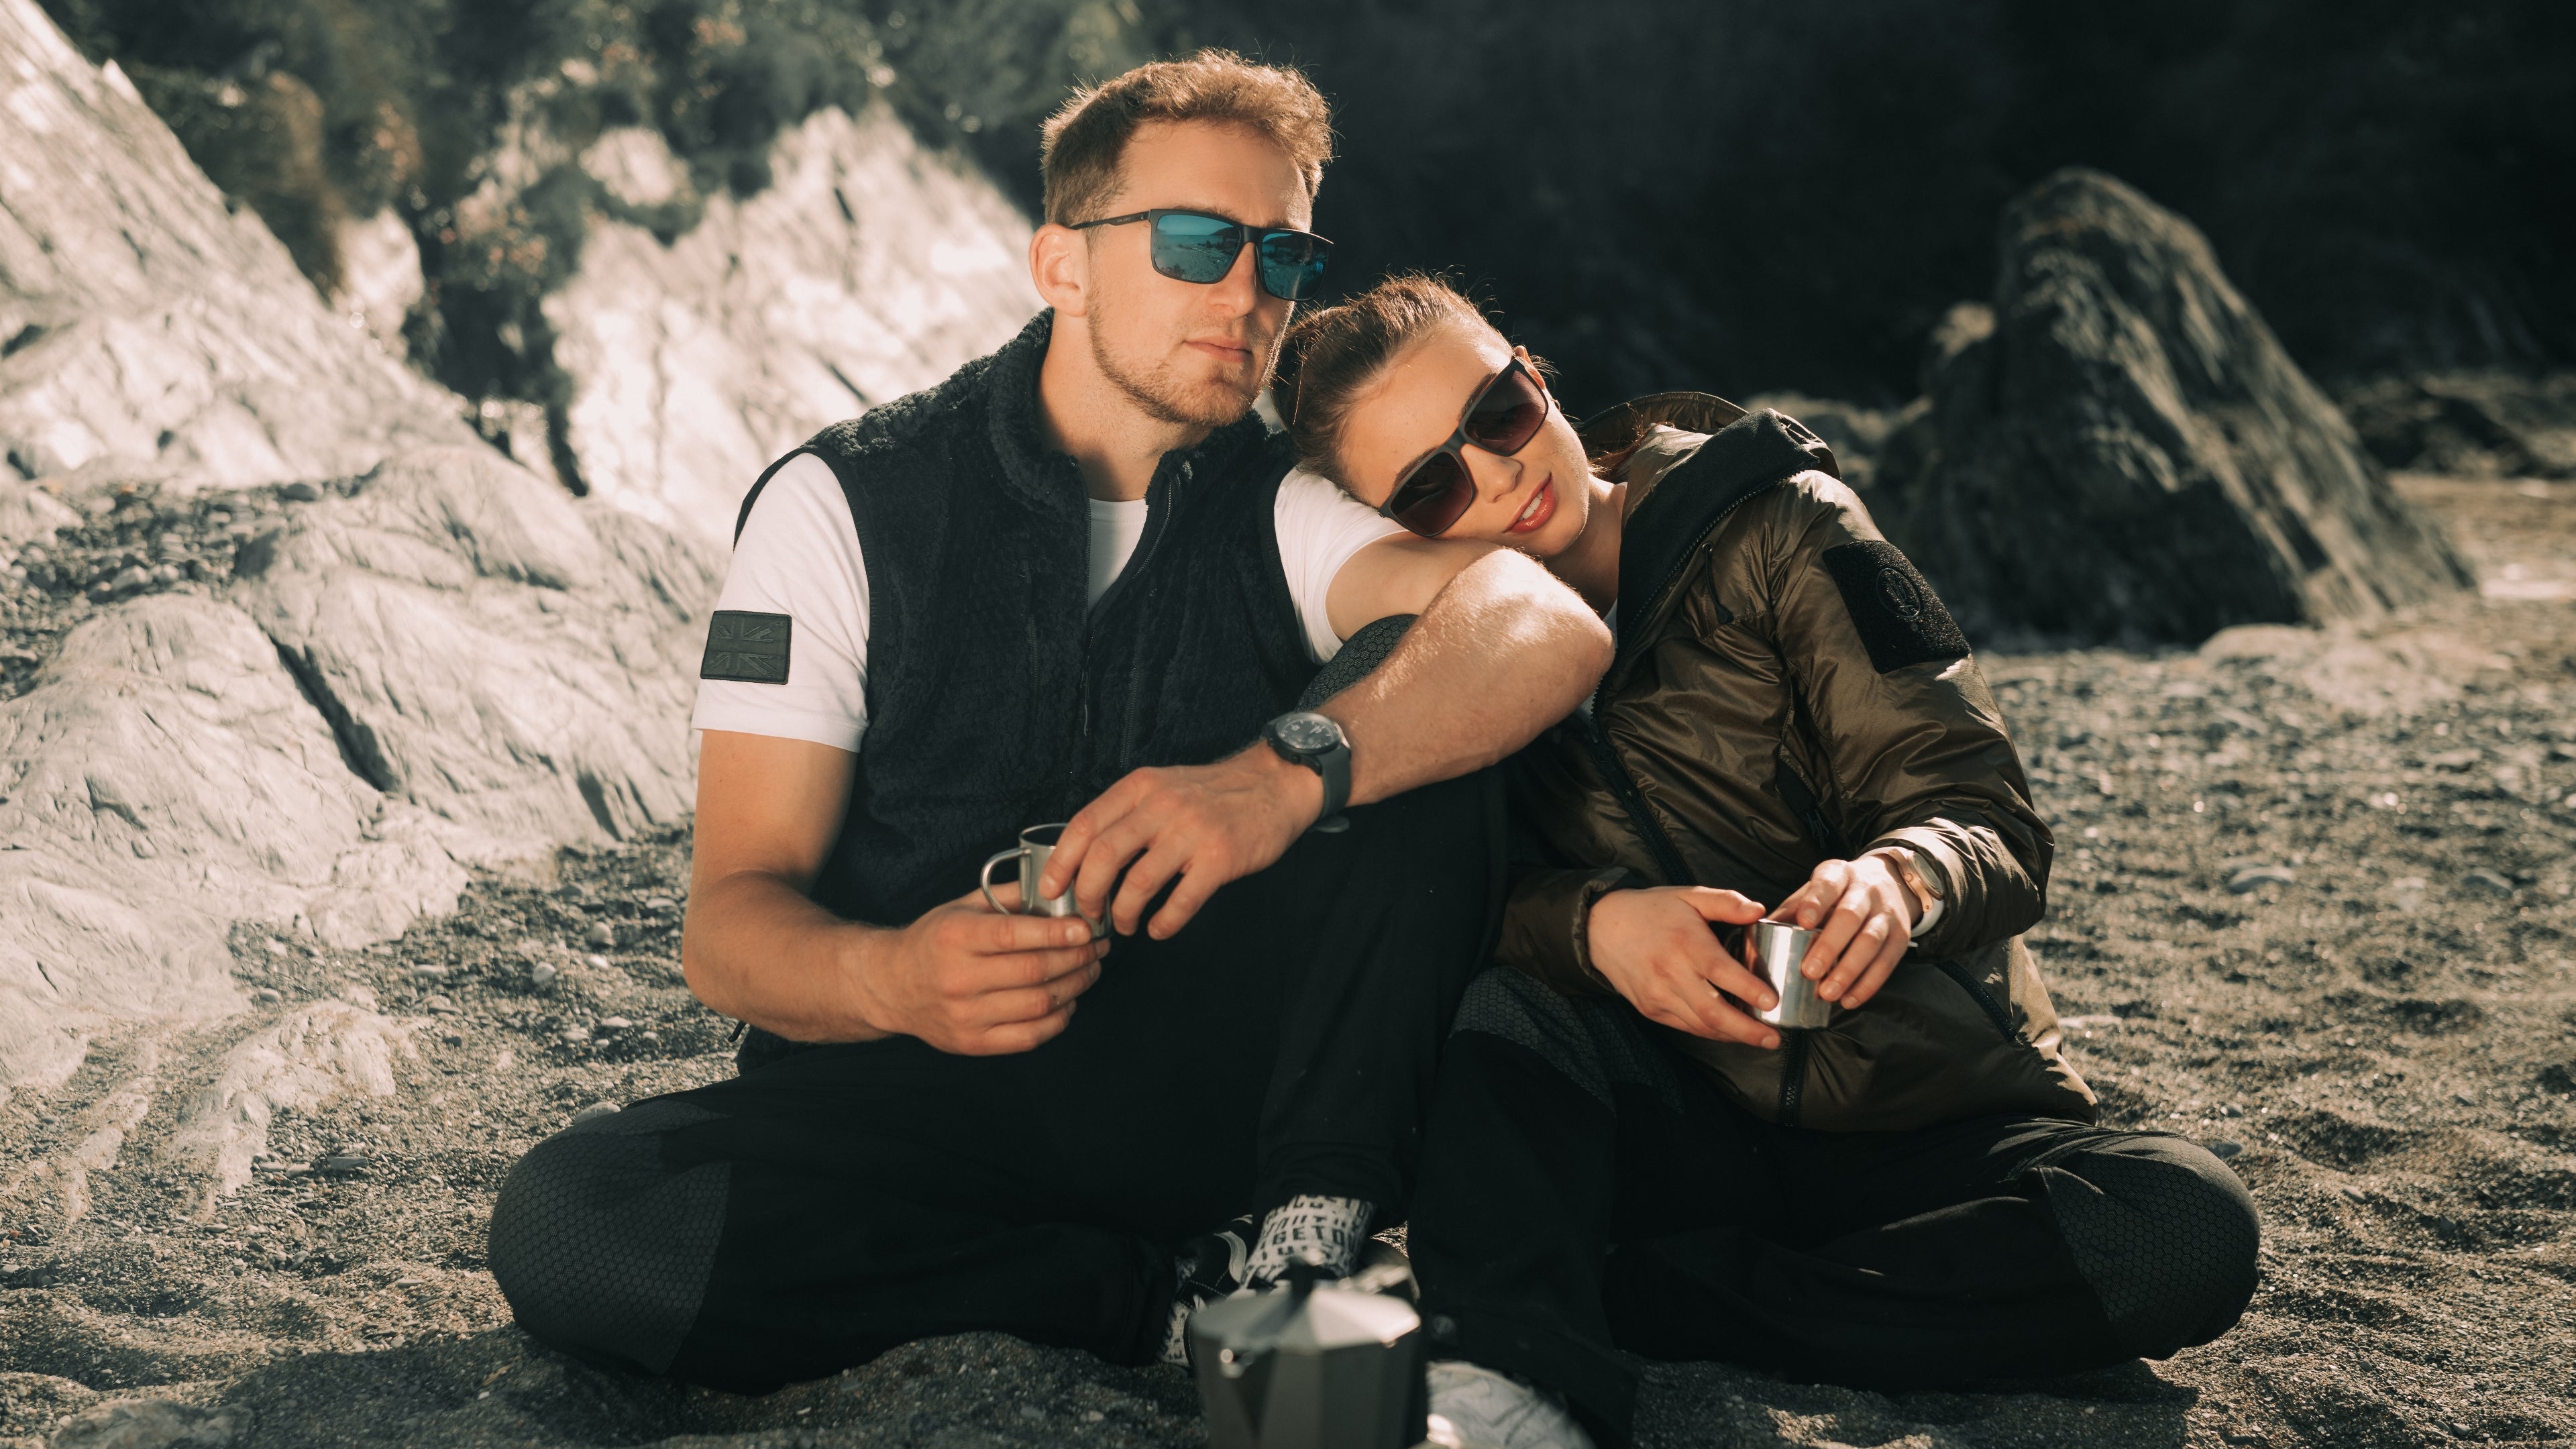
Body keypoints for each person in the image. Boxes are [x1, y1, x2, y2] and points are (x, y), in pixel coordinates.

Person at [484, 59, 1613, 1393]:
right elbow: (731, 928)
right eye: (1196, 244)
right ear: (1059, 264)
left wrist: (1279, 777)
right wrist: (892, 978)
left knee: (1421, 703)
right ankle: (1148, 1312)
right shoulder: (846, 506)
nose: (1247, 294)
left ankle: (1306, 1245)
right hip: (910, 1097)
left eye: (1283, 255)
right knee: (573, 1223)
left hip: (1217, 1106)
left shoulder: (1280, 506)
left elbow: (1538, 624)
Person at [1271, 275, 2262, 1449]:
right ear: (1397, 526)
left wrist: (1900, 878)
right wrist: (1595, 929)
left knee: (2187, 1224)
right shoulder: (1448, 653)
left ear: (1534, 374)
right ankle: (1517, 1380)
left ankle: (1648, 1303)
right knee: (1503, 1012)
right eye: (1433, 485)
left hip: (1930, 1111)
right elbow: (1438, 913)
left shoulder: (1784, 522)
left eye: (1496, 412)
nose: (1497, 474)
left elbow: (1987, 812)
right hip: (1674, 1120)